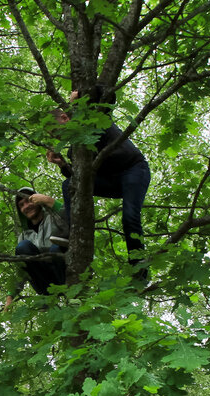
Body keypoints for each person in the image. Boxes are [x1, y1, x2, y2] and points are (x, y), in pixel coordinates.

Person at [47, 85, 151, 274]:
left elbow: (108, 95)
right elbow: (81, 178)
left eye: (57, 132)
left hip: (133, 170)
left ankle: (139, 269)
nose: (59, 137)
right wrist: (63, 165)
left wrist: (76, 104)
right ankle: (73, 233)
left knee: (129, 217)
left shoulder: (91, 119)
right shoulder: (74, 150)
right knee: (69, 183)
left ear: (64, 117)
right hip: (112, 181)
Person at [14, 187, 69, 295]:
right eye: (21, 205)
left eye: (28, 201)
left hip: (66, 270)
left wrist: (48, 200)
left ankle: (70, 294)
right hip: (45, 281)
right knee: (22, 247)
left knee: (55, 248)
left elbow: (74, 217)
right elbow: (21, 269)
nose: (26, 206)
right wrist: (10, 296)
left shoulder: (55, 217)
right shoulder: (24, 235)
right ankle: (47, 298)